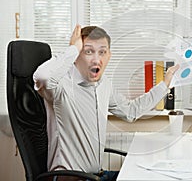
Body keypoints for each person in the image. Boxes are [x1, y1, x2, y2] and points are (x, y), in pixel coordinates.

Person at [33, 24, 179, 180]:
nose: (97, 59)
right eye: (88, 52)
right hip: (70, 178)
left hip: (96, 176)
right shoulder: (60, 86)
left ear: (109, 55)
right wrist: (73, 49)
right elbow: (42, 77)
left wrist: (165, 84)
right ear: (76, 58)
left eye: (102, 52)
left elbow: (130, 111)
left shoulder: (103, 84)